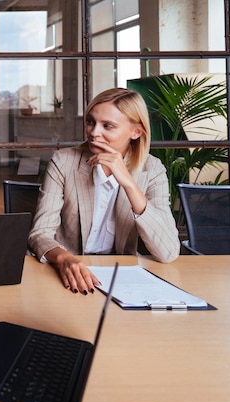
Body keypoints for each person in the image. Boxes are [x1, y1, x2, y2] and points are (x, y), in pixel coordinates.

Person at [28, 87, 180, 295]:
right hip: (67, 272)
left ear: (136, 132)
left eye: (108, 126)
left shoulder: (152, 169)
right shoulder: (64, 162)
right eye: (91, 122)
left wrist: (128, 183)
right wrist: (64, 258)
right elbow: (40, 233)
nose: (93, 132)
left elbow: (168, 252)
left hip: (121, 278)